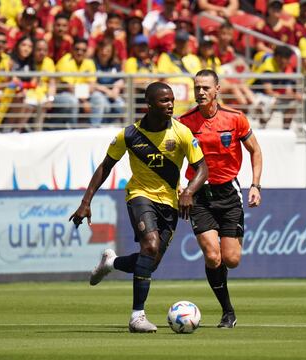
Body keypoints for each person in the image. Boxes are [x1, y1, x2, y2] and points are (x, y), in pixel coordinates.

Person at [69, 82, 208, 333]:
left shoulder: (182, 133)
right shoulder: (129, 135)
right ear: (149, 104)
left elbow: (202, 168)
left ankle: (111, 263)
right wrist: (85, 202)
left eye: (172, 100)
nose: (170, 105)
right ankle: (137, 316)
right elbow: (105, 166)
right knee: (150, 246)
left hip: (170, 202)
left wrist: (188, 191)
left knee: (150, 262)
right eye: (164, 101)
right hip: (139, 195)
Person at [178, 69, 263, 328]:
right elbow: (173, 160)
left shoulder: (235, 118)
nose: (200, 92)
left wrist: (255, 185)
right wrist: (180, 188)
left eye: (205, 88)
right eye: (197, 88)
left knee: (231, 260)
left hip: (229, 193)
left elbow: (255, 150)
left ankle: (226, 303)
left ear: (217, 90)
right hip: (199, 195)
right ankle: (228, 311)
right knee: (212, 257)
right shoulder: (183, 122)